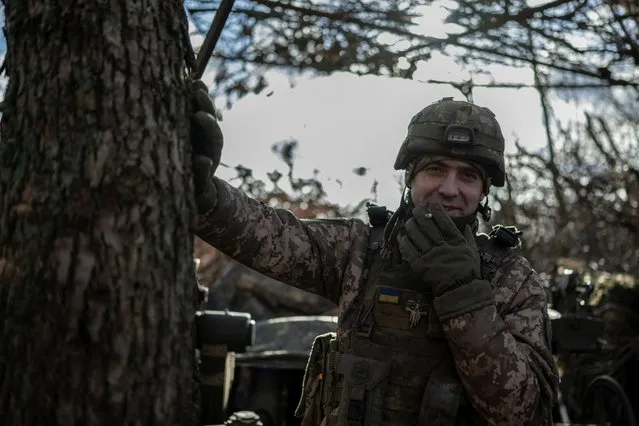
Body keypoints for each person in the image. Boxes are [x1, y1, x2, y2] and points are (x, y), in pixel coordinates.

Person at [189, 80, 558, 425]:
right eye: (435, 169)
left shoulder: (513, 280)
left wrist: (462, 292)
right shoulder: (362, 251)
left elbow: (523, 412)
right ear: (410, 177)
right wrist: (205, 194)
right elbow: (271, 235)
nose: (449, 188)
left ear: (483, 191)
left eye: (467, 176)